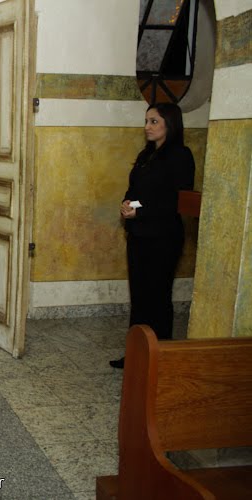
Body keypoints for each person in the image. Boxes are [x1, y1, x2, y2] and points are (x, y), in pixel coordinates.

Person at [110, 103, 195, 369]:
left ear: (170, 123)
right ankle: (136, 355)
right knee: (139, 297)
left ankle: (160, 356)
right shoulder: (146, 155)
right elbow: (135, 191)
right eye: (146, 121)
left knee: (158, 297)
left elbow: (177, 201)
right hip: (138, 235)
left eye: (154, 121)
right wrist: (128, 204)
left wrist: (141, 211)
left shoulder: (181, 155)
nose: (147, 126)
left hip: (164, 238)